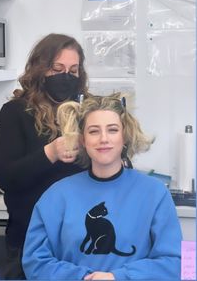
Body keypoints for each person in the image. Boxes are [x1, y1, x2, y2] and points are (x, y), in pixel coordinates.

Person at [22, 93, 182, 280]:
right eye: (94, 131)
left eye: (112, 130)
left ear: (125, 136)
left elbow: (175, 262)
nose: (103, 139)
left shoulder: (155, 193)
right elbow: (35, 262)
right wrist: (83, 278)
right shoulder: (56, 196)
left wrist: (118, 277)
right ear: (83, 140)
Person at [0, 33, 89, 279]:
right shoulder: (16, 112)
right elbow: (6, 178)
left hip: (78, 239)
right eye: (57, 68)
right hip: (30, 238)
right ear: (40, 69)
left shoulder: (87, 112)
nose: (66, 76)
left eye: (73, 70)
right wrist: (51, 152)